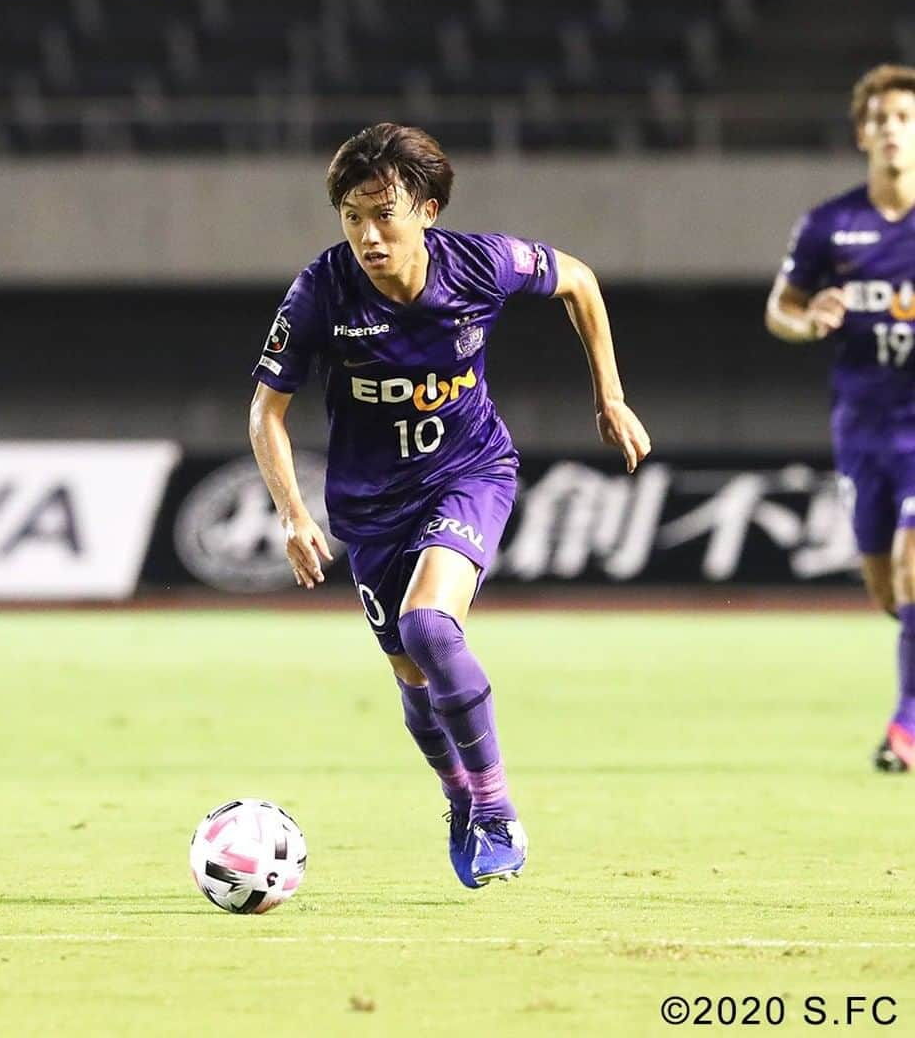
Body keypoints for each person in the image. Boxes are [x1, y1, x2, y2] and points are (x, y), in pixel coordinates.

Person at [249, 123, 651, 886]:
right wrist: (293, 515)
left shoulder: (482, 263)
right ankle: (461, 797)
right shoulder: (320, 291)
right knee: (412, 681)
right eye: (352, 217)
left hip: (471, 470)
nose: (368, 235)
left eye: (384, 214)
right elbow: (266, 411)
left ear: (427, 210)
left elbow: (580, 282)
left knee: (428, 625)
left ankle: (498, 810)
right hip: (369, 507)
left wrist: (611, 397)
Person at [766, 64, 915, 772]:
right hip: (862, 430)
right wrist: (809, 320)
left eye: (905, 118)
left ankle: (906, 728)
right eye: (881, 118)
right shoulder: (832, 224)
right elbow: (780, 309)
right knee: (888, 590)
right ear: (863, 132)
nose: (892, 129)